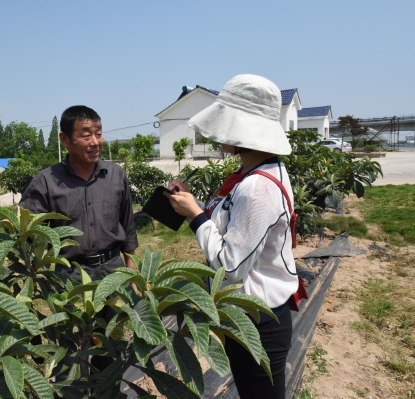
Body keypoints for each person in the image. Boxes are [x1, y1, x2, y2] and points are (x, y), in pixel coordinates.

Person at [164, 74, 299, 399]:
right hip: (247, 317)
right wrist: (194, 203)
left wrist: (196, 216)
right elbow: (235, 228)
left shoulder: (256, 186)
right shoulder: (251, 173)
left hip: (259, 323)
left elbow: (230, 264)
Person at [19, 105, 138, 281]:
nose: (95, 142)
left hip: (114, 271)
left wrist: (131, 270)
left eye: (98, 134)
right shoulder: (46, 181)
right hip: (70, 275)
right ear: (65, 139)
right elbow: (27, 231)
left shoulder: (115, 175)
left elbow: (128, 226)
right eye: (86, 135)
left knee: (120, 309)